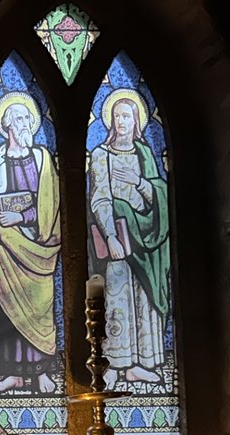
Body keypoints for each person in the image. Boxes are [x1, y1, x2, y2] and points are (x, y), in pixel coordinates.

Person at [0, 91, 62, 395]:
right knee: (4, 309)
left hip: (36, 245)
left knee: (41, 306)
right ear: (8, 125)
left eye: (29, 118)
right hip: (3, 249)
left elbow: (50, 205)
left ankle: (42, 373)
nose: (27, 124)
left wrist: (23, 217)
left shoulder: (42, 158)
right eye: (21, 119)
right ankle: (10, 373)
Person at [87, 89, 172, 386]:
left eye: (127, 115)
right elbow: (99, 199)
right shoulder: (100, 155)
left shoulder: (145, 153)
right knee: (116, 300)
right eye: (116, 116)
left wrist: (139, 182)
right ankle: (115, 363)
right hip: (119, 241)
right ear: (110, 120)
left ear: (136, 120)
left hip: (146, 242)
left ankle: (139, 365)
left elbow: (161, 194)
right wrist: (111, 236)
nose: (121, 121)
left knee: (144, 302)